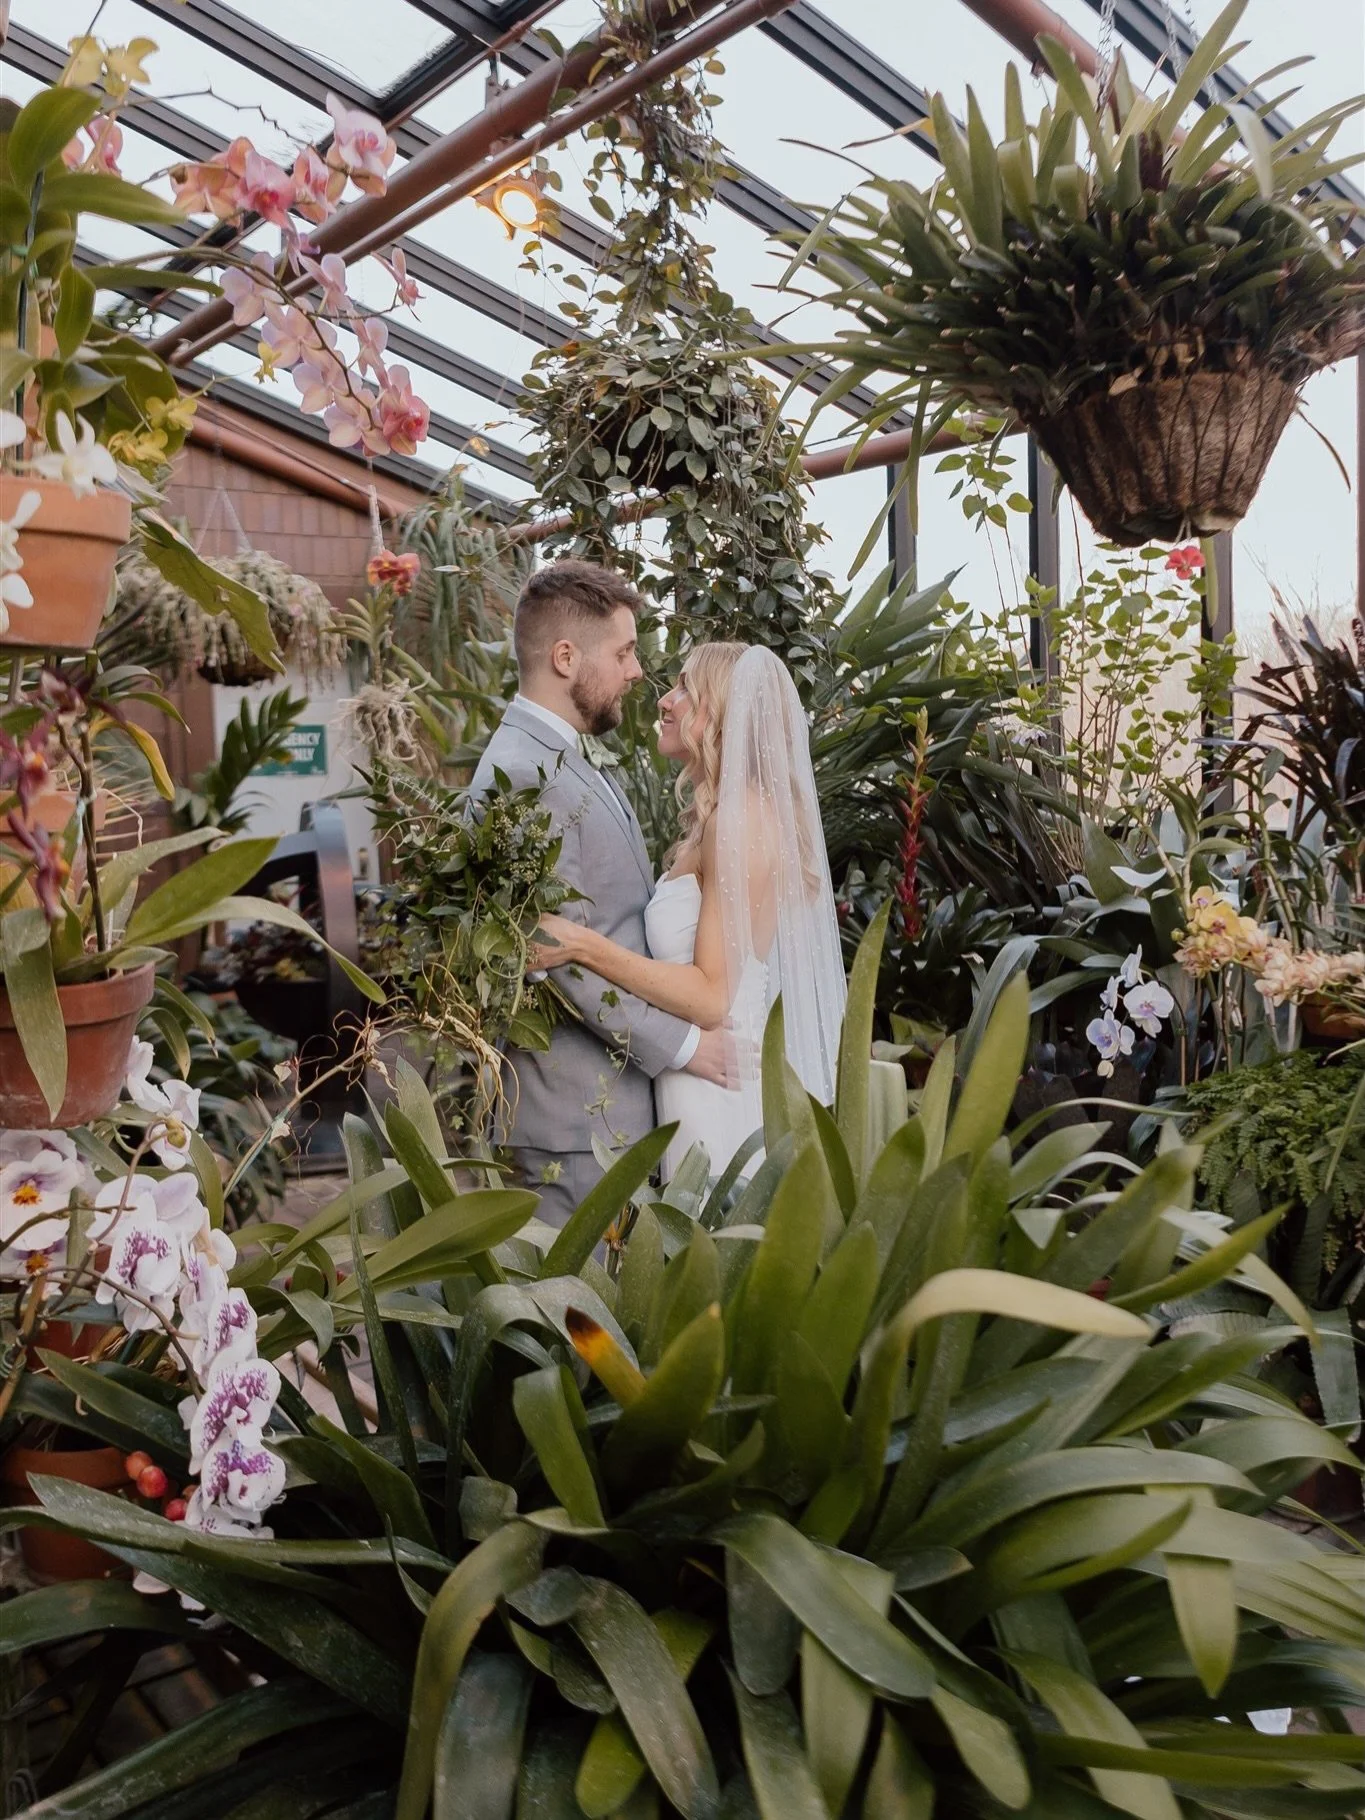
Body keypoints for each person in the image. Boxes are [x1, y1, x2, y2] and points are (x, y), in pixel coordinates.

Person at [468, 560, 733, 1225]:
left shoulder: (560, 755)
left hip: (613, 1104)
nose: (637, 671)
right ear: (565, 657)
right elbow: (548, 953)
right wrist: (681, 1047)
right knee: (583, 1322)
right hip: (576, 1118)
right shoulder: (522, 773)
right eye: (623, 651)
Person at [532, 639, 847, 1182]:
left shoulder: (738, 820)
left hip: (723, 1078)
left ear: (722, 716)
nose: (665, 700)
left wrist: (583, 945)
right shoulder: (726, 816)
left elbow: (709, 995)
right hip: (711, 1071)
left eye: (684, 689)